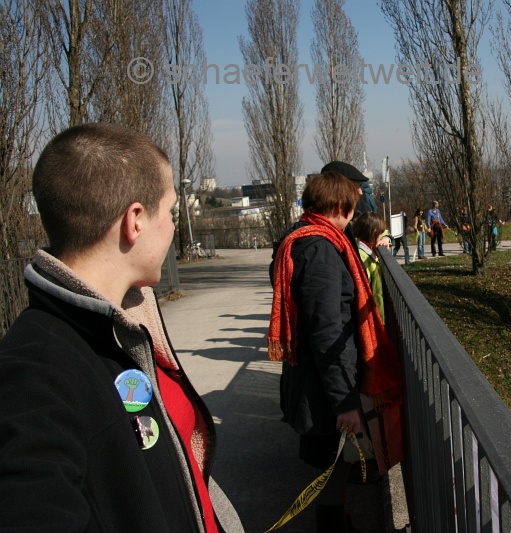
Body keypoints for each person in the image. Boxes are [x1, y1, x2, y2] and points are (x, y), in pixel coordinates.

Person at [0, 123, 243, 532]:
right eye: (169, 211)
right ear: (136, 221)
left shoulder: (124, 322)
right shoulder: (34, 374)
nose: (172, 225)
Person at [268, 172, 402, 532]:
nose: (354, 214)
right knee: (332, 466)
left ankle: (336, 524)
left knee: (333, 464)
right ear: (341, 206)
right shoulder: (321, 251)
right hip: (323, 389)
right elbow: (329, 332)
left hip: (315, 380)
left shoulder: (302, 236)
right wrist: (345, 403)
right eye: (353, 206)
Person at [354, 212, 388, 322]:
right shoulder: (362, 257)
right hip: (370, 317)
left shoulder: (361, 250)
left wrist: (386, 238)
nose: (382, 238)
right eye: (381, 235)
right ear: (374, 234)